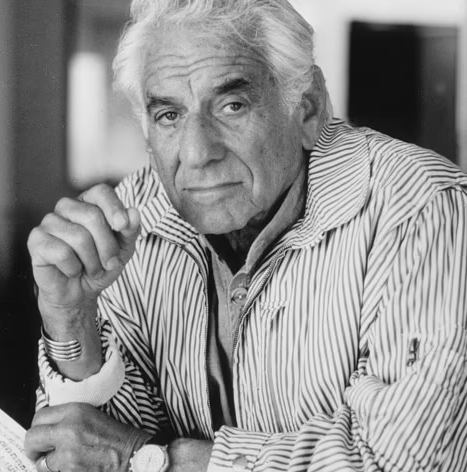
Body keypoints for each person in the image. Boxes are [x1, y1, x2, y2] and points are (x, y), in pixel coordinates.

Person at [25, 0, 467, 471]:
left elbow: (399, 462)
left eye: (232, 106)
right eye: (169, 115)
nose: (197, 153)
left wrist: (149, 458)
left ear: (308, 108)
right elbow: (89, 447)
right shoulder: (136, 215)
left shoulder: (420, 210)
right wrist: (72, 319)